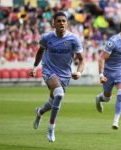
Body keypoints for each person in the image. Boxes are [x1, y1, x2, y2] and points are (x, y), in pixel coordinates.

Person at [30, 11, 85, 142]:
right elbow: (40, 52)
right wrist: (34, 67)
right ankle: (51, 128)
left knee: (53, 101)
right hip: (49, 71)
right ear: (53, 23)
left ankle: (40, 112)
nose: (61, 23)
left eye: (64, 21)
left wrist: (79, 72)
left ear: (67, 23)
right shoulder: (46, 37)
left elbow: (82, 60)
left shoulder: (73, 39)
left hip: (65, 75)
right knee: (59, 94)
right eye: (59, 21)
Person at [95, 19, 121, 130]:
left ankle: (116, 121)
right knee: (107, 98)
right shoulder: (113, 41)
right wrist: (101, 75)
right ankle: (99, 98)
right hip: (108, 71)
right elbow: (102, 58)